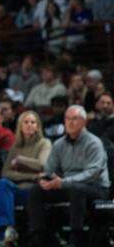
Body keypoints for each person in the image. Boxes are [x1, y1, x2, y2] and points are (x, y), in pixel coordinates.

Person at [27, 105, 111, 247]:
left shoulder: (94, 143)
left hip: (96, 188)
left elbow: (93, 173)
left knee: (76, 188)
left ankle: (75, 236)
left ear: (84, 122)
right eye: (67, 119)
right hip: (67, 185)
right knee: (36, 190)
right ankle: (39, 235)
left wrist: (64, 182)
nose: (70, 122)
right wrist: (45, 179)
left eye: (74, 119)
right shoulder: (59, 144)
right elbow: (50, 169)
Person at [0, 111, 51, 246]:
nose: (29, 125)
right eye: (26, 122)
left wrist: (20, 161)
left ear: (38, 126)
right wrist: (32, 175)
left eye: (33, 122)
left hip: (34, 191)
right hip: (16, 189)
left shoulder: (44, 143)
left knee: (0, 193)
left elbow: (42, 165)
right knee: (1, 185)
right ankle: (7, 230)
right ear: (20, 126)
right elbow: (5, 172)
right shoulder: (16, 146)